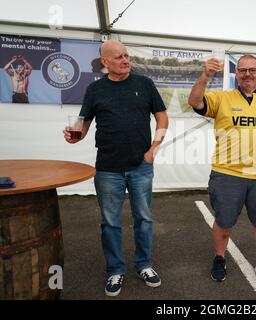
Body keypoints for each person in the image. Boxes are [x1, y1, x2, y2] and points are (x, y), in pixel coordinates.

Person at [63, 40, 168, 297]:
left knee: (143, 219)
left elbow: (162, 116)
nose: (125, 60)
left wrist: (154, 148)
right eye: (119, 57)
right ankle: (115, 270)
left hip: (141, 166)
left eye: (127, 55)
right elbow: (83, 122)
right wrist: (75, 133)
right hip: (108, 168)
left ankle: (144, 265)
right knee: (110, 222)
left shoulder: (144, 84)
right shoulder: (95, 89)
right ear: (105, 63)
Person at [188, 54, 256, 285]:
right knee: (224, 222)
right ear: (236, 74)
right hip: (227, 174)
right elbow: (195, 102)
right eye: (242, 70)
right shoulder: (222, 98)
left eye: (252, 70)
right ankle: (220, 257)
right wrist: (205, 76)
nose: (247, 74)